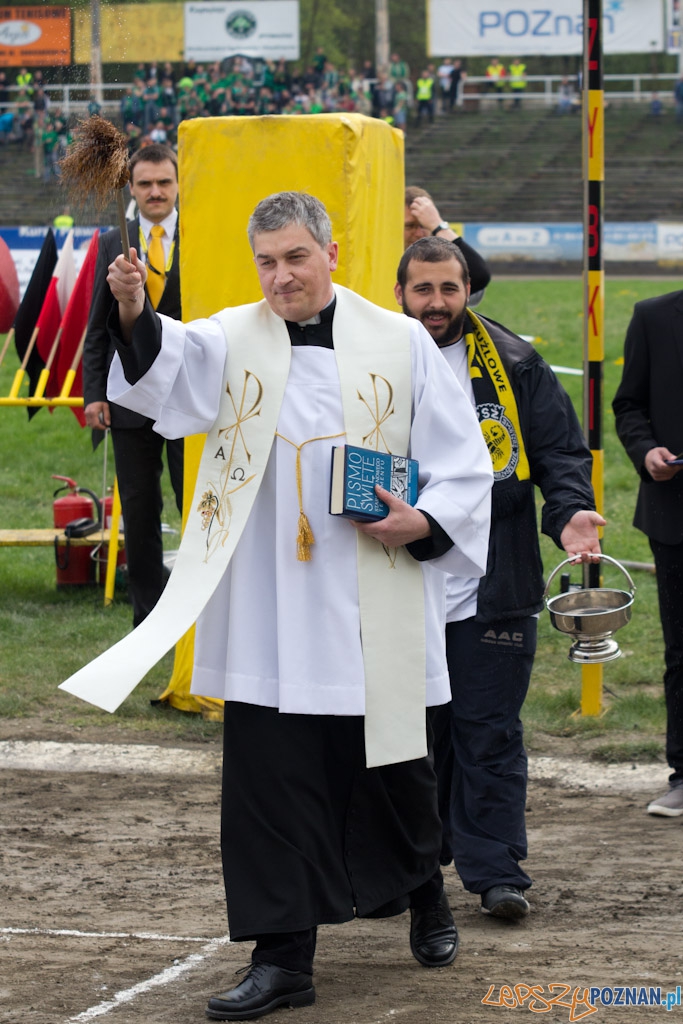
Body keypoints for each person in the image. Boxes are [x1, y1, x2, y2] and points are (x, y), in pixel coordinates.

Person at [100, 191, 493, 1018]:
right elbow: (162, 367)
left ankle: (424, 891)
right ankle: (284, 959)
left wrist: (423, 520)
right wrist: (134, 308)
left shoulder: (399, 342)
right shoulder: (231, 335)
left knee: (393, 767)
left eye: (294, 258)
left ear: (331, 253)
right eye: (266, 263)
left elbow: (461, 457)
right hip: (270, 599)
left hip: (371, 584)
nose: (280, 277)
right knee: (270, 783)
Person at [395, 237, 603, 920]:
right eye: (421, 290)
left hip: (496, 578)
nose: (434, 303)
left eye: (447, 289)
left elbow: (558, 451)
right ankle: (409, 868)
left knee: (486, 729)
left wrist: (569, 514)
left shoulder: (513, 360)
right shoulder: (371, 363)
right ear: (401, 293)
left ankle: (493, 872)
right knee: (411, 735)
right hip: (402, 579)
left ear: (467, 291)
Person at [82, 143, 183, 628]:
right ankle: (147, 620)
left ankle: (203, 613)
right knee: (140, 512)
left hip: (191, 396)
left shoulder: (201, 236)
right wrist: (95, 393)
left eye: (164, 182)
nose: (155, 192)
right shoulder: (110, 242)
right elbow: (97, 325)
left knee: (197, 503)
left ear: (178, 184)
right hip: (128, 400)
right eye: (145, 184)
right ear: (132, 188)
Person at [613, 292, 683, 817]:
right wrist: (646, 451)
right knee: (681, 653)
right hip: (675, 515)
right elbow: (628, 404)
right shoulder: (654, 317)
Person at [403, 186, 491, 302]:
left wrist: (439, 226)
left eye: (425, 225)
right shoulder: (378, 260)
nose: (419, 233)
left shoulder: (440, 262)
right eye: (410, 226)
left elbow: (479, 276)